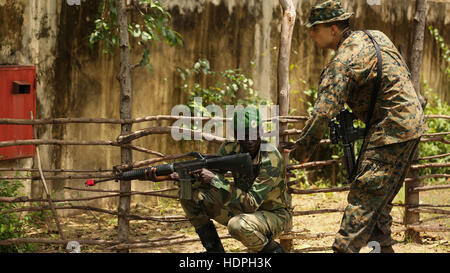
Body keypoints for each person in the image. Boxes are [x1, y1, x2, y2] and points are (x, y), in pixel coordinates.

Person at [286, 0, 428, 253]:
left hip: (390, 132)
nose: (310, 34)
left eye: (314, 28)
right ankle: (383, 248)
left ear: (332, 29)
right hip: (411, 126)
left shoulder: (342, 63)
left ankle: (343, 249)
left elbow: (322, 114)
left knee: (363, 200)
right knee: (378, 203)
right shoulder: (376, 36)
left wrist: (299, 152)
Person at [146, 106, 292, 253]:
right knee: (190, 196)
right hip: (243, 208)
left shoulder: (270, 158)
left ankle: (275, 251)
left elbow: (250, 204)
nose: (250, 141)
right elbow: (208, 174)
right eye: (244, 135)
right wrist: (173, 176)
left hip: (274, 215)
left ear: (261, 131)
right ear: (235, 134)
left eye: (254, 134)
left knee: (237, 225)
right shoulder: (231, 148)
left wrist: (216, 180)